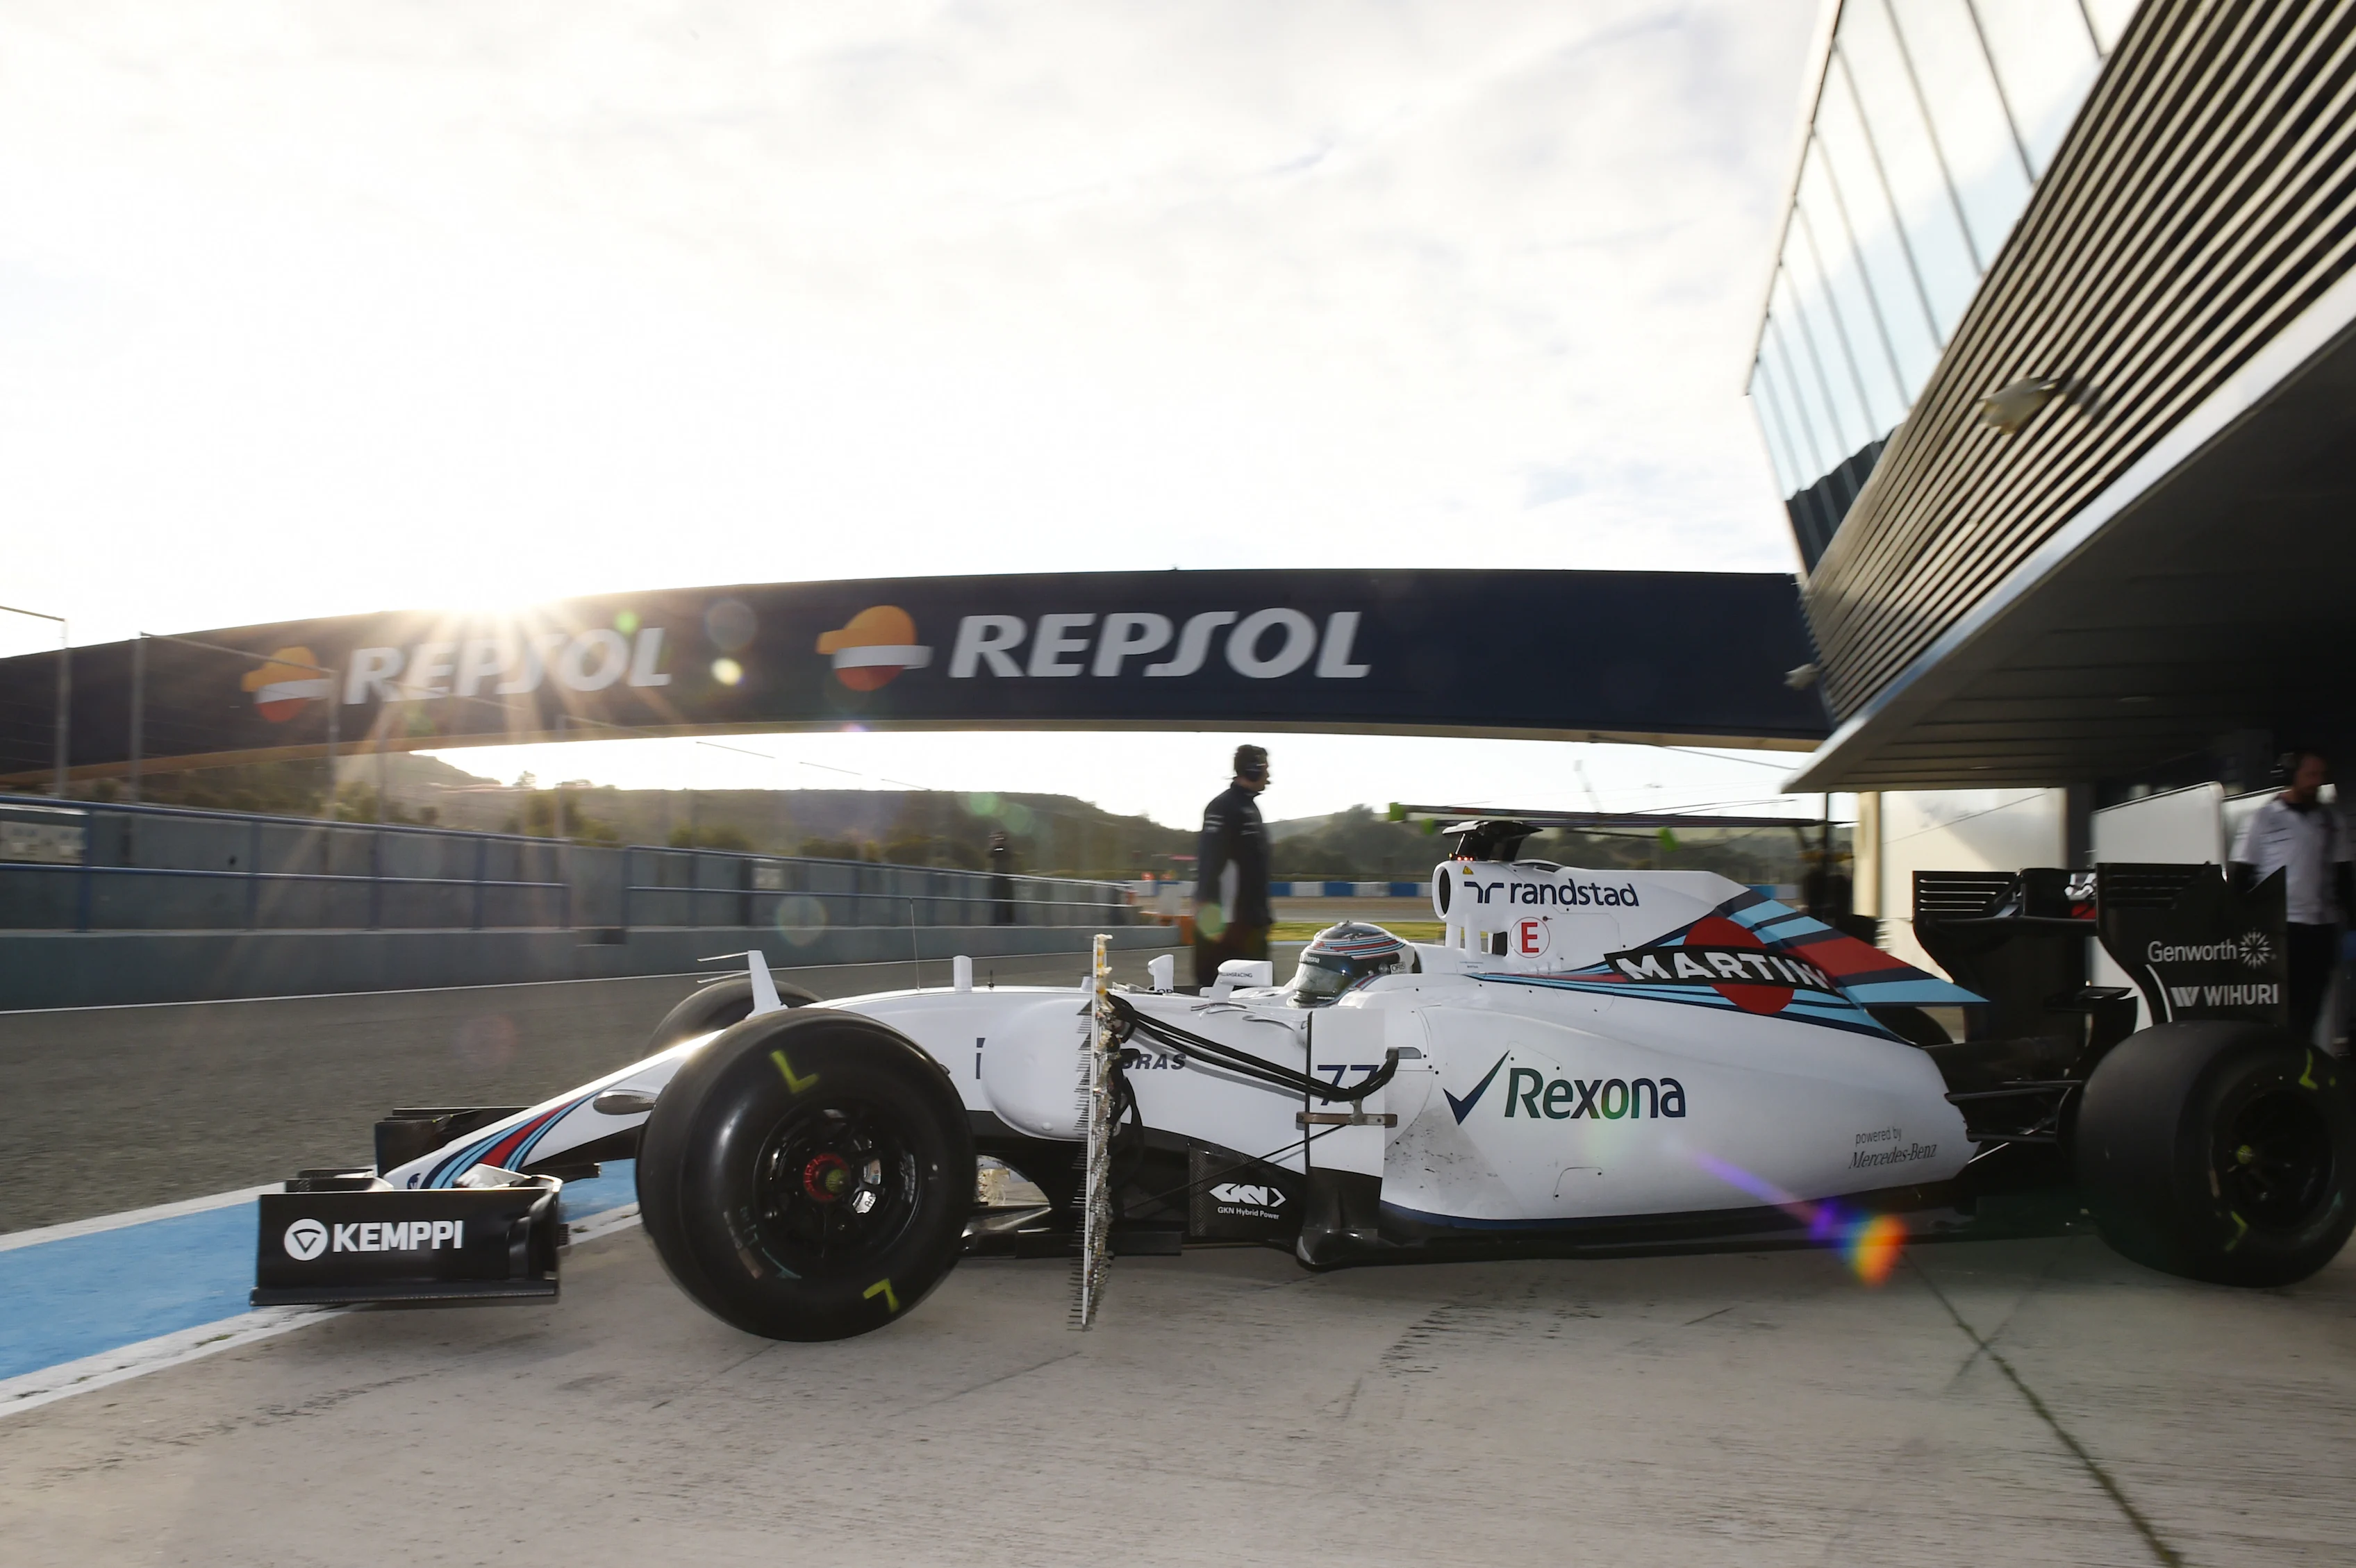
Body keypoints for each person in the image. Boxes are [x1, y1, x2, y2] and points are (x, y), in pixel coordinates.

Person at [2231, 749, 2353, 1046]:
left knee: (2312, 1007)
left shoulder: (2331, 821)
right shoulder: (2264, 818)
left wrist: (2351, 925)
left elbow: (2344, 877)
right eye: (2310, 775)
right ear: (2291, 777)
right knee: (2283, 1005)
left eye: (2321, 776)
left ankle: (2302, 1066)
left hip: (2321, 928)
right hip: (2282, 928)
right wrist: (2240, 925)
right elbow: (2241, 876)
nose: (2316, 782)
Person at [1194, 744, 1272, 987]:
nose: (1268, 777)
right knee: (1224, 995)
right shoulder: (1223, 808)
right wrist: (1211, 928)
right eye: (1265, 770)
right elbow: (1210, 866)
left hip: (1251, 923)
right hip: (1231, 928)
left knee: (1260, 997)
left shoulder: (1249, 808)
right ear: (1252, 770)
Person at [986, 830, 1015, 926]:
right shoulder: (994, 849)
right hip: (997, 876)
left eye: (1001, 838)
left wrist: (998, 847)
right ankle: (997, 921)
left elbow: (1008, 854)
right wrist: (994, 845)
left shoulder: (1007, 849)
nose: (999, 840)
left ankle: (1009, 921)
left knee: (1007, 899)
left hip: (1006, 876)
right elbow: (989, 855)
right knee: (996, 899)